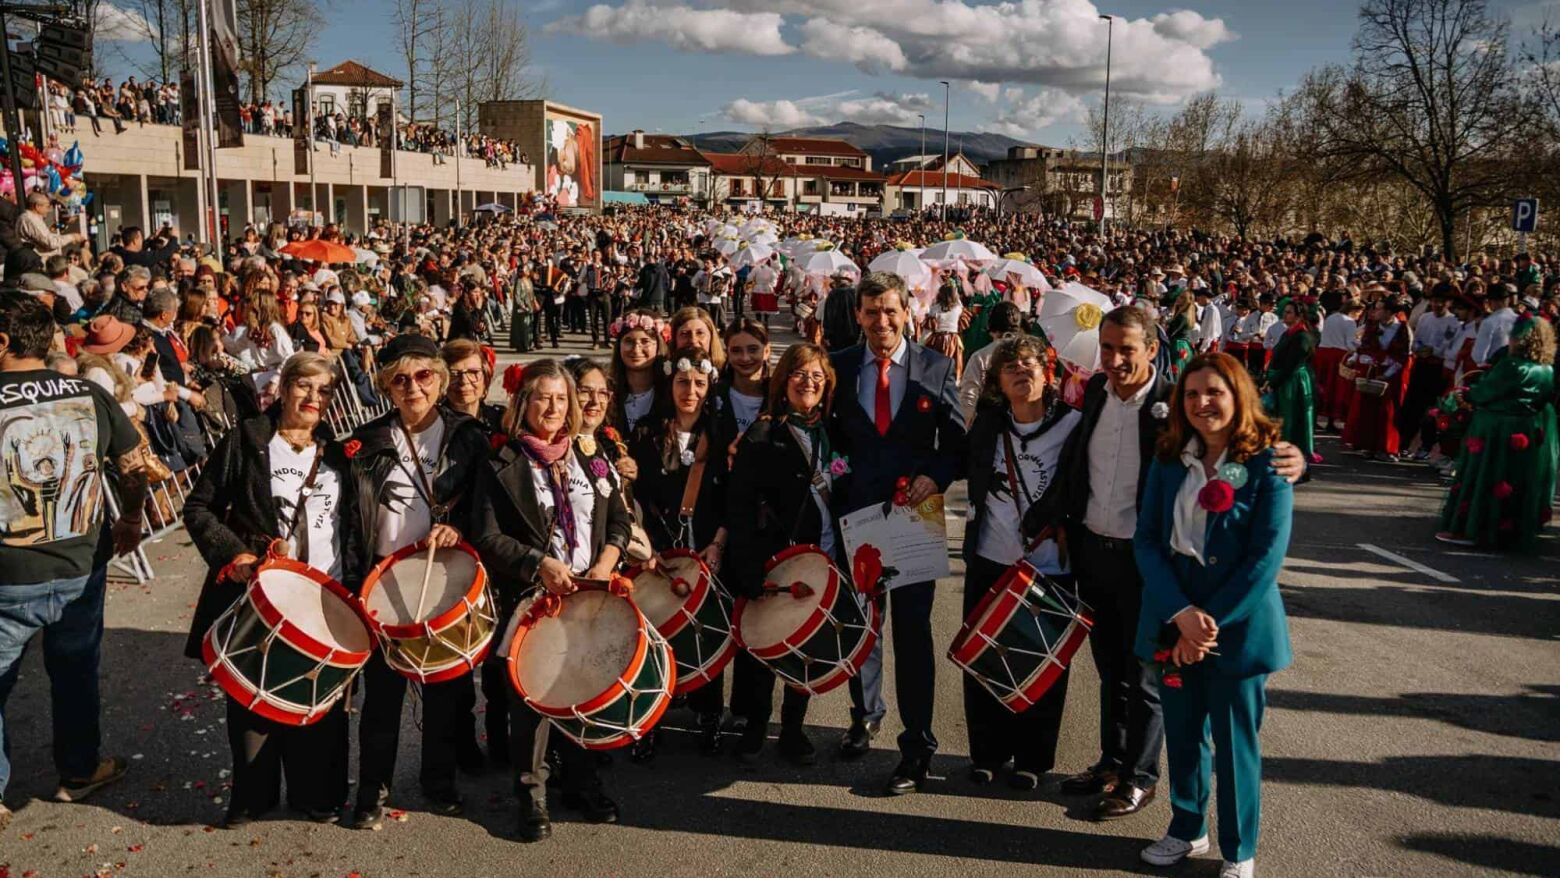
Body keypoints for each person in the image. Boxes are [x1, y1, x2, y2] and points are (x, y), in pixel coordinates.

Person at [1024, 306, 1304, 823]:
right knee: (1109, 668)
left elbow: (1236, 438)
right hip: (1093, 548)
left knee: (1146, 674)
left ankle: (1140, 775)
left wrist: (1294, 458)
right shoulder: (1094, 391)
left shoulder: (1177, 402)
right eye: (1107, 348)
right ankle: (1111, 762)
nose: (1115, 360)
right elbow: (1077, 460)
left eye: (1127, 349)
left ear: (1152, 349)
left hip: (1147, 559)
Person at [182, 352, 362, 828]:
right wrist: (235, 554)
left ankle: (315, 794)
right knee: (253, 701)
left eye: (324, 390)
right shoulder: (246, 440)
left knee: (320, 701)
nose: (313, 397)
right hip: (260, 598)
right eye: (304, 386)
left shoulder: (339, 453)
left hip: (324, 595)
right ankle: (253, 796)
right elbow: (199, 507)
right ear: (283, 388)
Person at [1133, 352, 1293, 878]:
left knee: (1234, 743)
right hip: (1175, 613)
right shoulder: (1168, 458)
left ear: (1238, 395)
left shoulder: (1268, 463)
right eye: (1192, 394)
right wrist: (1181, 614)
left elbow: (1264, 559)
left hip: (1237, 624)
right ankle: (1186, 828)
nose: (1202, 403)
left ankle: (1240, 848)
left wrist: (1205, 624)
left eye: (1214, 392)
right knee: (1183, 735)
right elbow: (1148, 541)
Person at [0, 293, 147, 831]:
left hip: (10, 574)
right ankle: (79, 770)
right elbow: (134, 465)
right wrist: (131, 517)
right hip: (79, 565)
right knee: (75, 672)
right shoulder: (88, 393)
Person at [471, 359, 630, 842]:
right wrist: (538, 564)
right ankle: (532, 795)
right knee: (533, 703)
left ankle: (582, 782)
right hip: (533, 599)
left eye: (562, 398)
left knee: (585, 690)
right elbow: (487, 537)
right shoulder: (502, 461)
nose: (554, 407)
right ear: (524, 402)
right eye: (543, 397)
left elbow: (618, 520)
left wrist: (606, 562)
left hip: (589, 594)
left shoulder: (590, 454)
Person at [344, 333, 491, 831]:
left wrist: (460, 529)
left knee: (445, 693)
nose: (414, 388)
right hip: (383, 579)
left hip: (444, 575)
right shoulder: (365, 443)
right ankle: (372, 790)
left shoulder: (468, 437)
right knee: (381, 697)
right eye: (400, 379)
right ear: (387, 387)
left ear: (440, 380)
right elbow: (349, 519)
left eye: (424, 376)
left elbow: (485, 506)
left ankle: (439, 782)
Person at [827, 271, 965, 795]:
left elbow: (955, 443)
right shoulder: (840, 367)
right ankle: (864, 716)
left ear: (908, 312)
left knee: (911, 633)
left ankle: (918, 744)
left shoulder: (935, 366)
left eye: (890, 310)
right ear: (858, 315)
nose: (881, 321)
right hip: (858, 518)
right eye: (871, 311)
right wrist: (841, 479)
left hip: (913, 519)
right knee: (863, 625)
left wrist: (936, 476)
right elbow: (832, 444)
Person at [961, 336, 1081, 789]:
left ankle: (1033, 757)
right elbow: (957, 462)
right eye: (1010, 367)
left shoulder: (1074, 424)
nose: (1020, 372)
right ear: (998, 381)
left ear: (1047, 372)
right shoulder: (989, 424)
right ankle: (987, 753)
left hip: (1050, 566)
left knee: (1043, 664)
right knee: (985, 661)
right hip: (991, 558)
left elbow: (1085, 485)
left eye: (1029, 364)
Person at [724, 343, 840, 765]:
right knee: (764, 648)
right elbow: (739, 506)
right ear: (783, 381)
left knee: (806, 649)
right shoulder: (763, 434)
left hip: (824, 555)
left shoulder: (834, 433)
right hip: (776, 559)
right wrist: (748, 566)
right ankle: (755, 727)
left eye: (817, 376)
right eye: (799, 374)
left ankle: (793, 729)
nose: (808, 382)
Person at [625, 344, 726, 760]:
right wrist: (642, 544)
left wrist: (718, 543)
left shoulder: (721, 432)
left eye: (699, 383)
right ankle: (650, 719)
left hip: (705, 547)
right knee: (653, 634)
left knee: (706, 628)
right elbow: (632, 495)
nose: (690, 391)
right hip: (657, 549)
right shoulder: (646, 432)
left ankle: (709, 714)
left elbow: (733, 496)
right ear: (670, 383)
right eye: (683, 381)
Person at [1436, 316, 1558, 550]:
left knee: (1487, 474)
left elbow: (1485, 392)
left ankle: (1476, 527)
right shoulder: (1547, 369)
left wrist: (1467, 394)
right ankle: (1507, 529)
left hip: (1495, 429)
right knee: (1513, 478)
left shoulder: (1512, 365)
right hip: (1525, 430)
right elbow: (1543, 399)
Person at [1343, 298, 1412, 461]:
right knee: (1369, 410)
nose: (1375, 312)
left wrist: (1387, 374)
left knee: (1387, 412)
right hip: (1371, 371)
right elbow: (1361, 346)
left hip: (1391, 374)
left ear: (1389, 312)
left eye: (1379, 309)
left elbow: (1403, 355)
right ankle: (1368, 445)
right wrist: (1358, 359)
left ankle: (1387, 448)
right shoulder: (1371, 326)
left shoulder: (1402, 329)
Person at [1262, 300, 1318, 468]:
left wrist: (1273, 382)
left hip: (1293, 381)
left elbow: (1292, 365)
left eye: (1289, 312)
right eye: (1284, 312)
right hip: (1284, 378)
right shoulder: (1288, 333)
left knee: (1292, 419)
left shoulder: (1302, 336)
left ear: (1299, 316)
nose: (1284, 315)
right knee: (1282, 418)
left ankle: (1295, 457)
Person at [958, 301, 1024, 424]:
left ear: (991, 327)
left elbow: (969, 396)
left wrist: (965, 425)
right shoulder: (1030, 354)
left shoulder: (981, 357)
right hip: (1025, 420)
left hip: (991, 423)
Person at [608, 309, 666, 432]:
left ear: (658, 346)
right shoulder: (607, 391)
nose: (636, 350)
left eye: (645, 341)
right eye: (629, 341)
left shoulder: (670, 392)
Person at [1315, 299, 1362, 432]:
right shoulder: (1349, 322)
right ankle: (1332, 420)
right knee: (1336, 388)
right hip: (1338, 355)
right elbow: (1350, 343)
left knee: (1323, 385)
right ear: (1354, 310)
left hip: (1323, 352)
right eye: (1359, 312)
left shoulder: (1331, 317)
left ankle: (1317, 416)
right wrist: (1360, 346)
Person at [923, 281, 965, 380]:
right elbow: (960, 305)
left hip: (938, 340)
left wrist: (921, 343)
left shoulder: (934, 309)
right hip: (954, 340)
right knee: (954, 365)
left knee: (937, 365)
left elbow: (928, 330)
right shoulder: (958, 309)